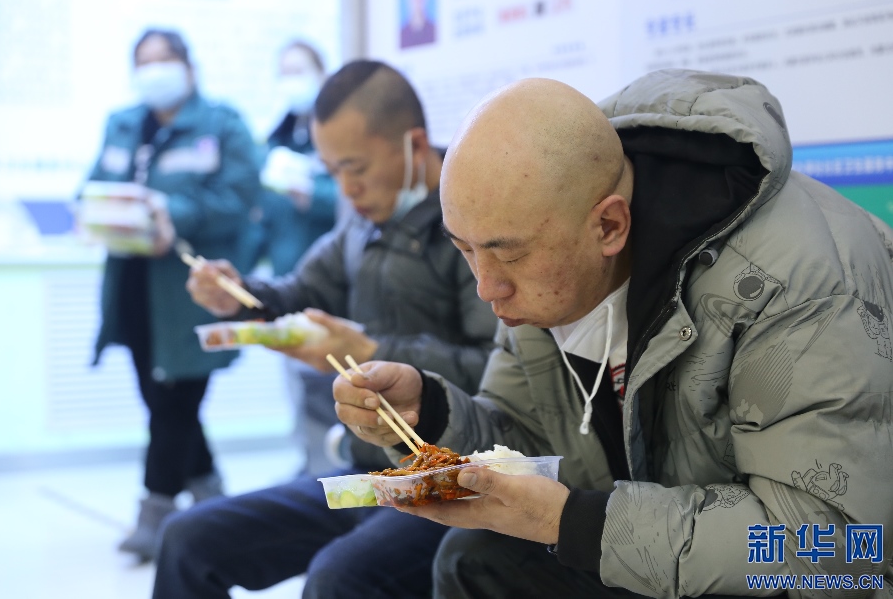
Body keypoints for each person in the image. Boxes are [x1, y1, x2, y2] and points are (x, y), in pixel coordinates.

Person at [332, 69, 893, 598]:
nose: (487, 287)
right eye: (464, 250)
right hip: (665, 553)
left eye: (510, 255)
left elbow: (836, 545)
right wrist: (430, 414)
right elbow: (528, 438)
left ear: (609, 225)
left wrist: (571, 522)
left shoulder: (798, 282)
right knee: (472, 559)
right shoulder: (546, 258)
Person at [151, 60, 497, 599]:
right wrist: (237, 293)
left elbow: (499, 370)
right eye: (333, 171)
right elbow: (296, 292)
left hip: (450, 483)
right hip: (367, 476)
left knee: (339, 577)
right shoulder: (362, 224)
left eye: (356, 168)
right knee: (186, 539)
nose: (346, 188)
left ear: (414, 144)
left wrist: (371, 349)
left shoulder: (473, 225)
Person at [85, 28, 260, 561]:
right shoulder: (122, 124)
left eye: (163, 59)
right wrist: (94, 210)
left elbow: (238, 196)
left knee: (175, 400)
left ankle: (156, 511)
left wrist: (170, 213)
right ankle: (213, 499)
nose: (153, 70)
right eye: (143, 61)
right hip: (133, 287)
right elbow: (93, 184)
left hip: (189, 293)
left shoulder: (222, 124)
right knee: (162, 400)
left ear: (188, 66)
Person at [239, 40, 343, 474]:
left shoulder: (337, 133)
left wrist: (311, 195)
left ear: (322, 74)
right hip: (288, 283)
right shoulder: (276, 140)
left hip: (332, 285)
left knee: (330, 382)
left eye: (300, 70)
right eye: (285, 72)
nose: (292, 81)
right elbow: (262, 217)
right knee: (298, 381)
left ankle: (331, 468)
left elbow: (351, 201)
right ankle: (310, 464)